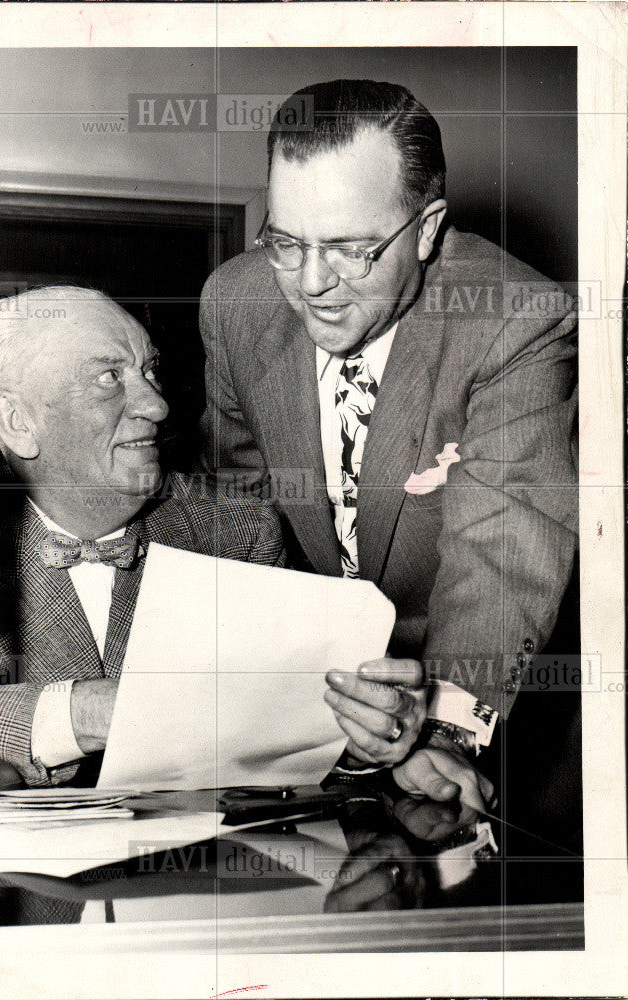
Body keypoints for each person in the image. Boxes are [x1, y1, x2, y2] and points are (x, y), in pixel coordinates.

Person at [199, 79, 578, 808]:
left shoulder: (514, 321)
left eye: (348, 249)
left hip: (484, 717)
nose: (311, 284)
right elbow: (241, 511)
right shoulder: (235, 301)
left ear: (428, 228)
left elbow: (502, 556)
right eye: (285, 242)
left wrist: (443, 733)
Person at [0, 287, 284, 787]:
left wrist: (357, 730)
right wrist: (78, 714)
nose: (156, 406)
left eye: (150, 370)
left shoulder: (237, 531)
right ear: (17, 422)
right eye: (108, 378)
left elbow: (286, 730)